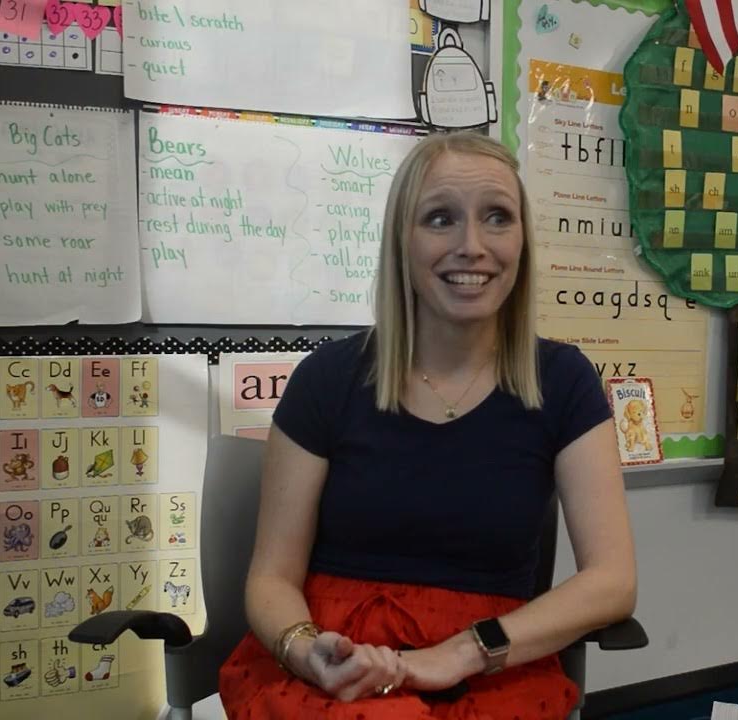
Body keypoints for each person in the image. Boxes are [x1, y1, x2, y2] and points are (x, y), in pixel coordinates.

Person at [219, 132, 637, 719]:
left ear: (522, 240)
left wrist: (462, 652)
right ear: (402, 242)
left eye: (497, 218)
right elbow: (270, 578)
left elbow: (613, 581)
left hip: (489, 667)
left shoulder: (564, 382)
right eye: (440, 218)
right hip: (337, 666)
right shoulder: (326, 380)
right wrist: (305, 649)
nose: (472, 245)